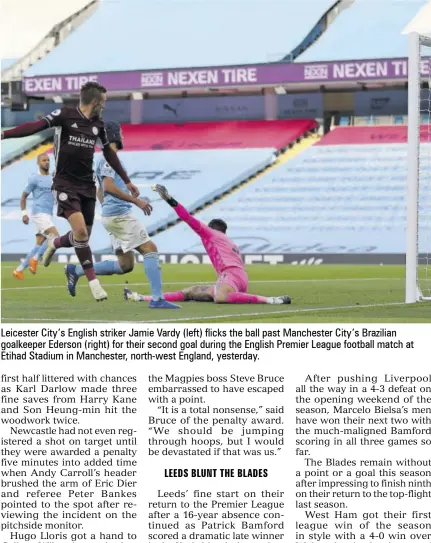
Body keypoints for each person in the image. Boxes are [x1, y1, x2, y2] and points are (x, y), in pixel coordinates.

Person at [1, 82, 149, 301]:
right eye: (104, 102)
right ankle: (93, 282)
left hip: (86, 186)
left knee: (83, 235)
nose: (105, 106)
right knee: (80, 234)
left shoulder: (98, 125)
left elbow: (109, 153)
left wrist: (127, 181)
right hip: (64, 183)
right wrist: (4, 134)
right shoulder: (65, 114)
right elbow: (35, 126)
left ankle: (56, 242)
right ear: (95, 102)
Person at [64, 122, 180, 309]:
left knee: (125, 265)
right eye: (121, 133)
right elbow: (108, 186)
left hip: (111, 216)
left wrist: (107, 208)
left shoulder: (106, 160)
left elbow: (100, 189)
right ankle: (158, 299)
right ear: (114, 135)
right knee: (150, 248)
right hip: (120, 215)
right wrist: (136, 201)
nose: (123, 137)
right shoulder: (109, 159)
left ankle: (76, 270)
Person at [124, 185, 291, 305]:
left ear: (212, 229)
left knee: (221, 297)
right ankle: (140, 297)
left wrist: (169, 199)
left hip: (230, 275)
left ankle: (272, 300)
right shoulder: (228, 241)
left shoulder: (211, 234)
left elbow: (188, 218)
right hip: (238, 277)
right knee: (190, 292)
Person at [13, 153, 59, 279]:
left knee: (39, 244)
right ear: (38, 163)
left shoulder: (52, 178)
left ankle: (19, 270)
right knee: (55, 237)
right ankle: (36, 259)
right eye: (44, 160)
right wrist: (24, 214)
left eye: (48, 160)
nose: (46, 162)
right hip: (39, 213)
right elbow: (23, 197)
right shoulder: (34, 178)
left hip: (48, 214)